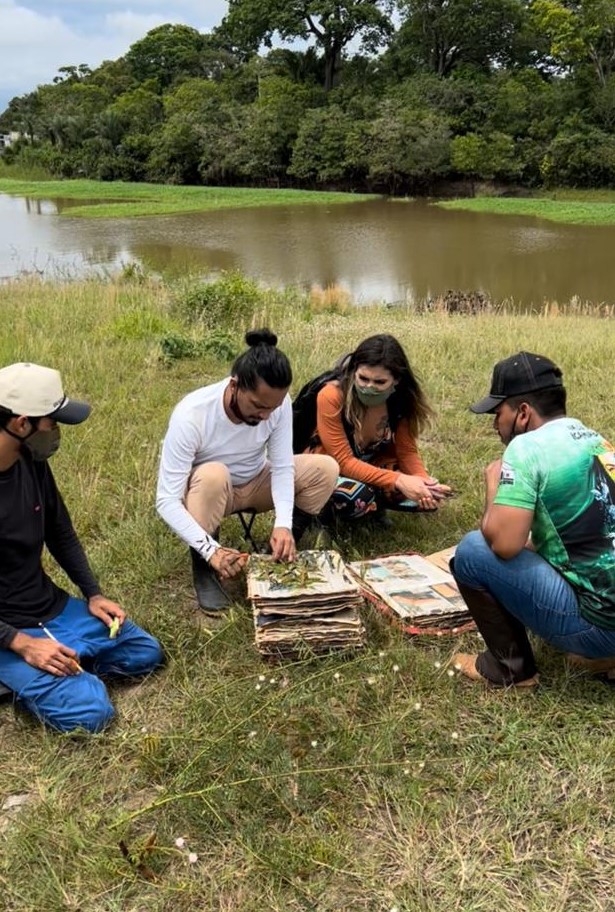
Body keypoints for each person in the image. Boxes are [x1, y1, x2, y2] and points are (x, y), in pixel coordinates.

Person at [0, 362, 164, 733]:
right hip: (8, 632)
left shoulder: (30, 460)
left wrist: (92, 593)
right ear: (21, 423)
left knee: (145, 653)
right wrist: (23, 644)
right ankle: (31, 673)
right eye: (52, 422)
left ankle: (62, 666)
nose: (57, 432)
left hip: (49, 608)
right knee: (91, 714)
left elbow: (60, 532)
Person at [451, 351, 615, 687]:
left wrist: (493, 488)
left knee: (472, 552)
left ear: (523, 413)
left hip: (601, 628)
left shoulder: (526, 449)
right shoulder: (595, 439)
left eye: (498, 413)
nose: (495, 424)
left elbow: (504, 545)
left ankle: (509, 669)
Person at [156, 329, 338, 613]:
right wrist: (210, 550)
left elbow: (281, 466)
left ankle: (277, 551)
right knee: (213, 475)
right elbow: (166, 500)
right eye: (257, 406)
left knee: (325, 468)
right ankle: (206, 569)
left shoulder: (277, 405)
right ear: (235, 385)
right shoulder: (191, 414)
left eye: (273, 407)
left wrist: (283, 523)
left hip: (255, 481)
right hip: (210, 492)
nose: (266, 415)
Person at [304, 334, 451, 522]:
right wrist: (398, 480)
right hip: (329, 469)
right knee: (354, 497)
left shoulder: (400, 401)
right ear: (353, 372)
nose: (369, 387)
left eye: (380, 382)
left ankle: (375, 507)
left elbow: (406, 451)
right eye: (363, 379)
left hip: (371, 464)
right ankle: (323, 517)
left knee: (424, 490)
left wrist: (424, 483)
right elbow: (343, 461)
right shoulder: (331, 396)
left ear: (396, 380)